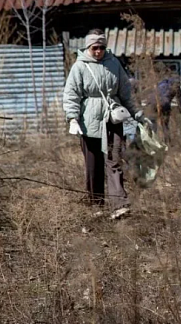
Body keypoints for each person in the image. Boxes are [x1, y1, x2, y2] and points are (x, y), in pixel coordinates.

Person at [63, 29, 150, 220]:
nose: (98, 51)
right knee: (93, 165)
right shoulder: (79, 67)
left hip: (113, 119)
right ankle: (96, 204)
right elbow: (71, 94)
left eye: (102, 47)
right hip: (89, 122)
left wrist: (138, 113)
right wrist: (72, 118)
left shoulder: (114, 63)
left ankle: (119, 204)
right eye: (95, 48)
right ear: (88, 47)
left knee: (115, 159)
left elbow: (126, 92)